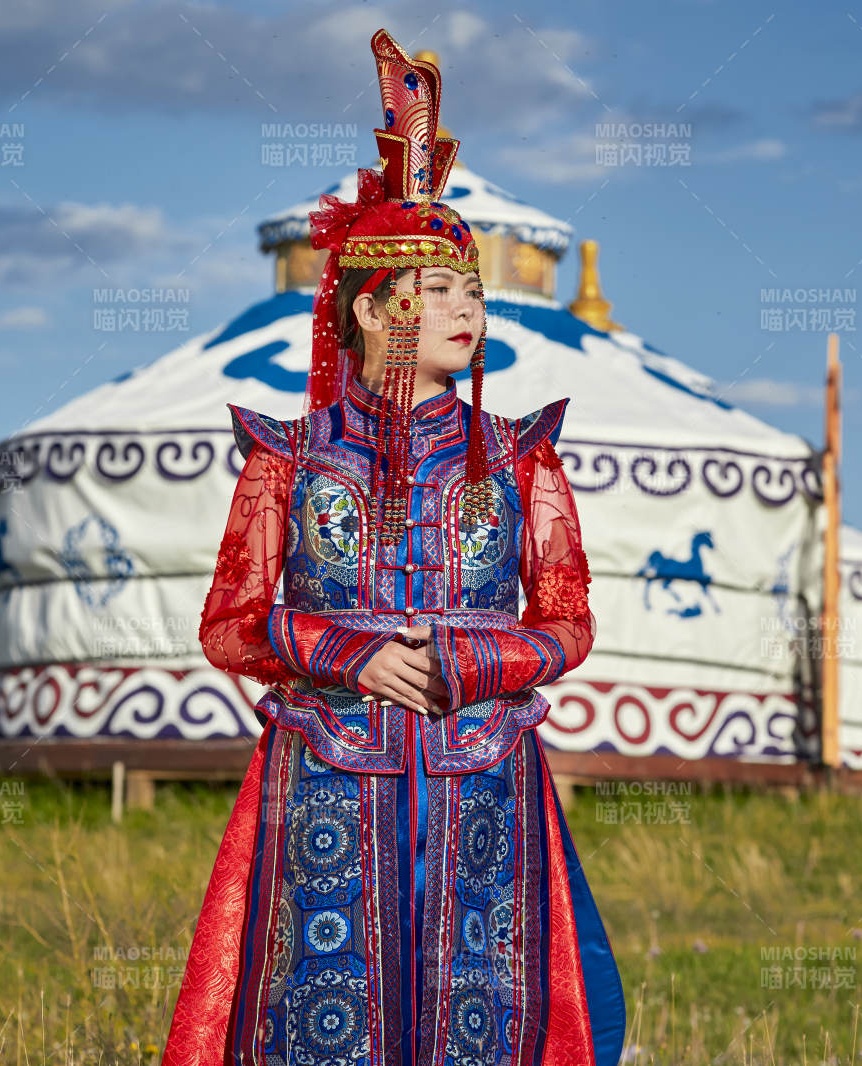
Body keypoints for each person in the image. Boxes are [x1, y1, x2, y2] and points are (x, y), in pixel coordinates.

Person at [161, 28, 625, 1065]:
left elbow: (567, 620)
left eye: (472, 292)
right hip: (328, 764)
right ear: (369, 309)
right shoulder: (289, 458)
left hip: (484, 765)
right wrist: (349, 652)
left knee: (485, 1007)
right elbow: (229, 627)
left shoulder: (518, 457)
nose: (466, 309)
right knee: (320, 1009)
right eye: (437, 293)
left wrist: (470, 660)